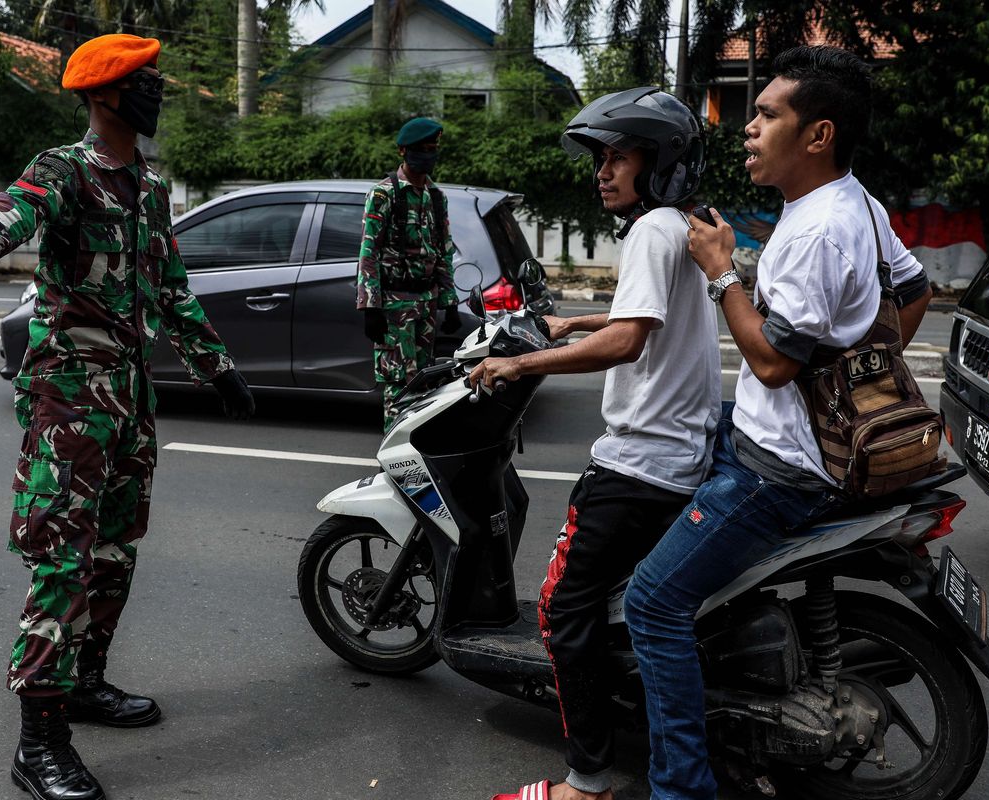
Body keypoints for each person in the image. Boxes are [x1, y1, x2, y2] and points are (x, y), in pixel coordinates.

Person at [0, 33, 255, 800]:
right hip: (70, 399)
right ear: (102, 95)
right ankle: (41, 740)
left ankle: (86, 682)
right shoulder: (65, 171)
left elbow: (170, 291)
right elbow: (9, 213)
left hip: (127, 399)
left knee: (116, 553)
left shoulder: (151, 190)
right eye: (142, 80)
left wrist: (218, 367)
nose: (155, 90)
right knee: (63, 561)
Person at [623, 45, 934, 800]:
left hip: (779, 471)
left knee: (651, 602)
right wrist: (857, 366)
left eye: (766, 115)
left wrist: (720, 268)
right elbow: (915, 289)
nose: (748, 129)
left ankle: (681, 789)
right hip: (776, 437)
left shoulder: (816, 231)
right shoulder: (857, 202)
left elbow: (770, 364)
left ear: (817, 135)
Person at [473, 88, 719, 800]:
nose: (602, 172)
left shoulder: (651, 232)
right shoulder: (683, 226)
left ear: (660, 160)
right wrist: (567, 324)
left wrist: (518, 362)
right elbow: (643, 316)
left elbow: (632, 338)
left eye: (618, 157)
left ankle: (586, 781)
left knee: (562, 606)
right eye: (601, 159)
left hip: (638, 464)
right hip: (682, 456)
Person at [356, 116, 461, 431]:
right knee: (397, 385)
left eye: (432, 149)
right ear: (403, 151)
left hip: (426, 303)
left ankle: (416, 455)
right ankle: (394, 458)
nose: (427, 155)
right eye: (421, 150)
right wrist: (369, 306)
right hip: (393, 305)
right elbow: (368, 252)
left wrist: (450, 301)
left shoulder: (436, 196)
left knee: (424, 383)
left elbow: (443, 250)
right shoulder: (384, 194)